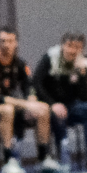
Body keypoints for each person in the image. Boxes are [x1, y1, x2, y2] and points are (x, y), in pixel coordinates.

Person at [0, 28, 55, 173]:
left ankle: (44, 158)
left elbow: (29, 86)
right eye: (3, 41)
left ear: (16, 43)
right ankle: (9, 161)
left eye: (10, 41)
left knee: (43, 108)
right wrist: (26, 105)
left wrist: (31, 99)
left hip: (9, 106)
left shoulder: (19, 63)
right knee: (6, 109)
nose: (6, 45)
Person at [36, 31, 87, 164]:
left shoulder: (83, 62)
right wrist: (52, 104)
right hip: (50, 104)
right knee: (58, 114)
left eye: (77, 47)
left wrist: (82, 76)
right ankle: (63, 155)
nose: (72, 51)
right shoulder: (50, 57)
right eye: (69, 46)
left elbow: (83, 96)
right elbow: (37, 83)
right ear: (62, 45)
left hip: (72, 105)